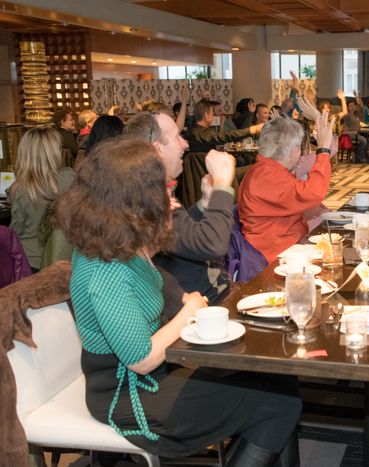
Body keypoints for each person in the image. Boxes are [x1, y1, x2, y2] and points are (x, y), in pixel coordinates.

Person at [57, 137, 302, 465]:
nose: (170, 195)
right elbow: (140, 359)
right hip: (126, 390)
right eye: (164, 187)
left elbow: (153, 277)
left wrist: (182, 297)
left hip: (152, 374)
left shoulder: (112, 238)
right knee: (279, 403)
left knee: (277, 380)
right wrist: (187, 312)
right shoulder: (106, 270)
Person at [125, 111, 236, 303]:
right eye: (177, 137)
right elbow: (212, 244)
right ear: (158, 150)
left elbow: (181, 230)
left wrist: (204, 205)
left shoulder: (148, 186)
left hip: (208, 293)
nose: (185, 144)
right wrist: (222, 186)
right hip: (197, 307)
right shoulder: (146, 199)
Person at [238, 110, 334, 263]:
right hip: (272, 257)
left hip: (287, 247)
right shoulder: (267, 177)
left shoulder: (268, 169)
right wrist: (323, 150)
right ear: (294, 151)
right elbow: (313, 193)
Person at [8, 127, 74, 271]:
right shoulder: (70, 178)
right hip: (66, 256)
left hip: (30, 261)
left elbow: (16, 231)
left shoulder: (20, 189)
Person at [184, 100, 263, 153]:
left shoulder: (192, 131)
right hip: (212, 172)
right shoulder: (202, 134)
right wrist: (252, 130)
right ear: (207, 115)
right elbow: (227, 135)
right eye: (212, 113)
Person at [342, 98, 369, 163]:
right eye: (350, 106)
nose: (352, 107)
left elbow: (362, 111)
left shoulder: (355, 114)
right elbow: (345, 126)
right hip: (351, 134)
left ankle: (357, 154)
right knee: (364, 141)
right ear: (347, 107)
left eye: (353, 105)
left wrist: (360, 102)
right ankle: (360, 157)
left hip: (358, 133)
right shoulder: (347, 115)